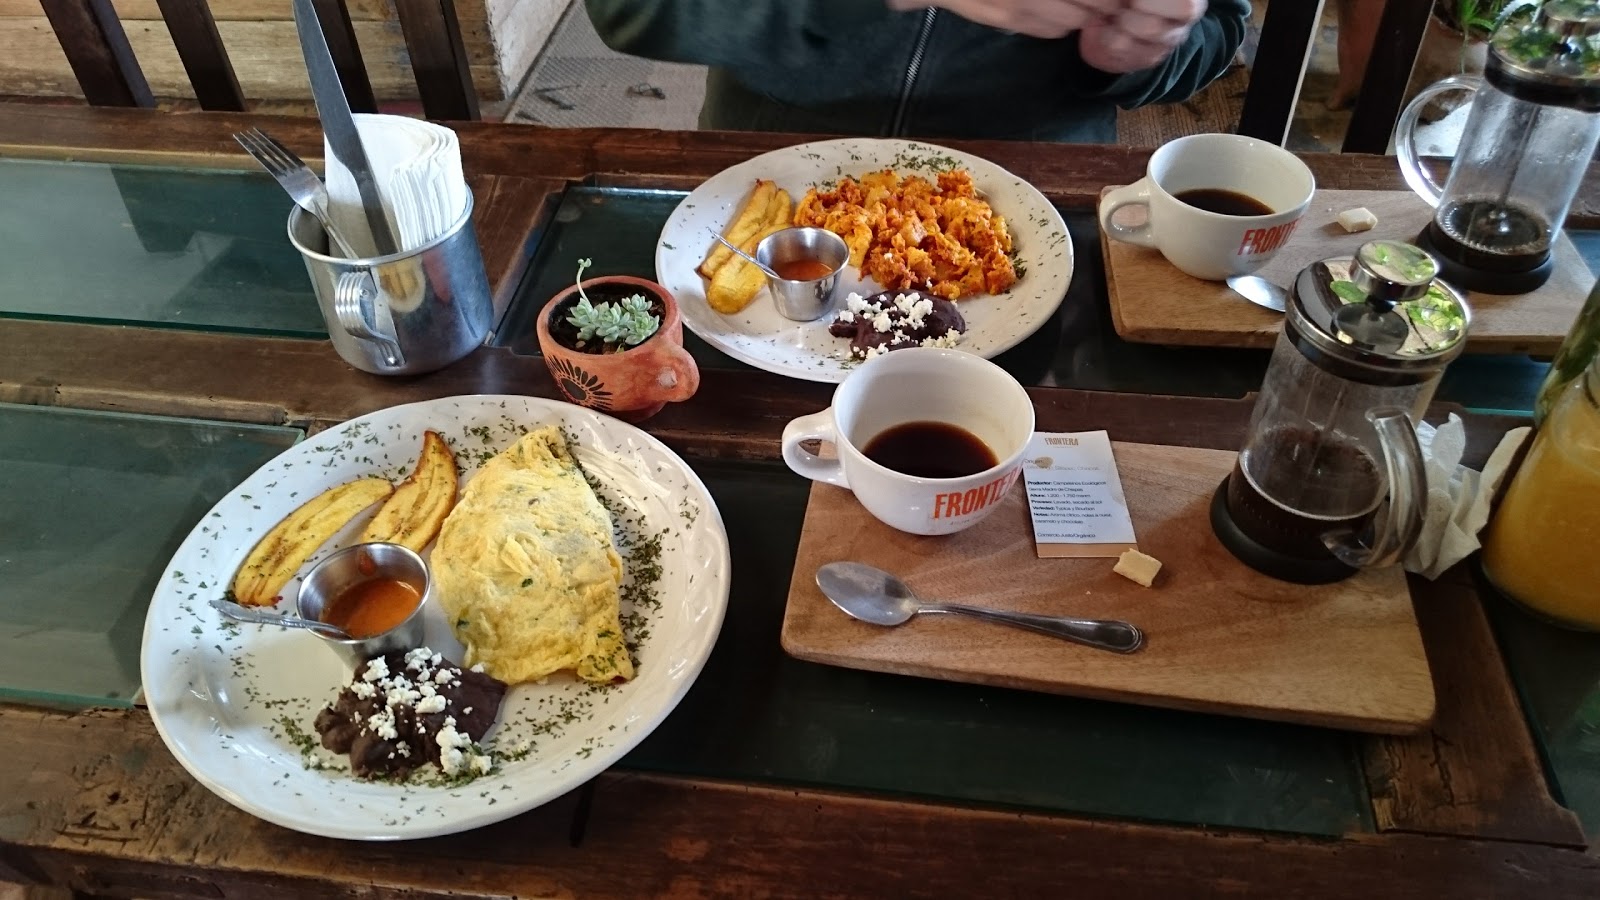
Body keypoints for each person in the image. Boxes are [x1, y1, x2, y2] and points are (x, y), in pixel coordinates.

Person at [583, 0, 1251, 142]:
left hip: (1035, 201)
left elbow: (1217, 25)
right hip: (766, 172)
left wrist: (1135, 55)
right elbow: (634, 11)